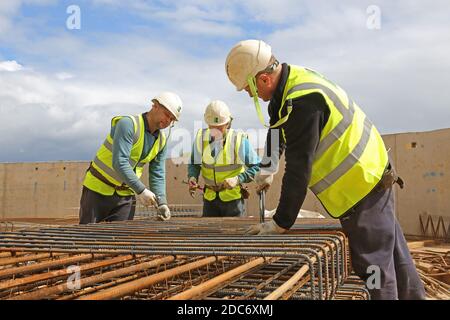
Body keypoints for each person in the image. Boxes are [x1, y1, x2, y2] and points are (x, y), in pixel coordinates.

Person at [225, 39, 425, 300]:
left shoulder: (303, 101)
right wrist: (268, 167)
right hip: (372, 177)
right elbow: (276, 128)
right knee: (395, 257)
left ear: (263, 79)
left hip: (362, 187)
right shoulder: (289, 86)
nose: (250, 96)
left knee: (375, 268)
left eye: (249, 89)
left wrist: (281, 223)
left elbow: (299, 169)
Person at [79, 92, 182, 224]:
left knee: (120, 241)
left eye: (172, 119)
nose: (168, 121)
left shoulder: (161, 141)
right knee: (89, 237)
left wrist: (162, 202)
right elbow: (119, 162)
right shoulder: (128, 124)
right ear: (155, 106)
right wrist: (142, 190)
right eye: (167, 114)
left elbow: (157, 173)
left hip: (125, 195)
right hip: (97, 189)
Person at [187, 100, 260, 217]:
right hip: (209, 200)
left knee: (235, 234)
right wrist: (192, 177)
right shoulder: (200, 139)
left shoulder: (238, 140)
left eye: (219, 128)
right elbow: (194, 164)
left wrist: (238, 179)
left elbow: (258, 167)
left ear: (228, 124)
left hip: (233, 201)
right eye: (212, 127)